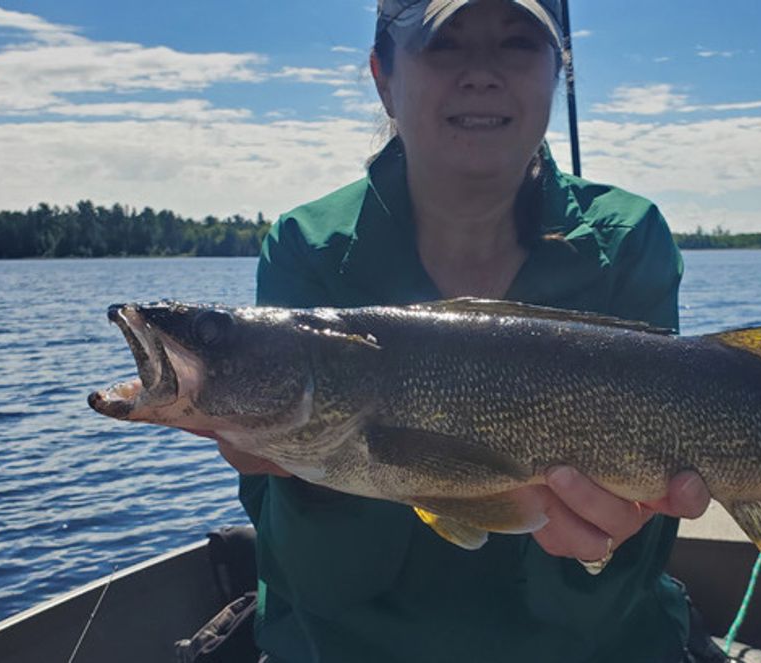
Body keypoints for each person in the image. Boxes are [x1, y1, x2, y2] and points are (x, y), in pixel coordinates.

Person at [216, 1, 722, 660]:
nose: (481, 73)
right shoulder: (306, 248)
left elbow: (622, 571)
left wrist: (612, 542)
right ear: (383, 78)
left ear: (556, 73)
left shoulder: (628, 241)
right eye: (444, 44)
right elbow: (317, 580)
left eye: (516, 43)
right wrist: (307, 473)